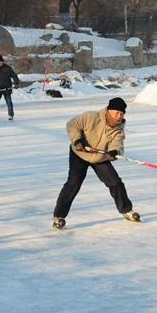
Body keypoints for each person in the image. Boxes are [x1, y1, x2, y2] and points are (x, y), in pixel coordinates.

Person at [52, 97, 139, 230]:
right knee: (73, 183)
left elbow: (118, 144)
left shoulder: (118, 130)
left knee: (115, 182)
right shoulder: (91, 116)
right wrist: (77, 140)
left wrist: (114, 152)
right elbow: (72, 124)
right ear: (109, 110)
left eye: (122, 114)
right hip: (79, 153)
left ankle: (126, 210)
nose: (119, 116)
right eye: (117, 112)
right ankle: (59, 216)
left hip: (100, 157)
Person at [0, 55, 19, 121]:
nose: (0, 63)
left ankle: (11, 115)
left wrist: (16, 83)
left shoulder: (8, 68)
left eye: (1, 62)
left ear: (3, 62)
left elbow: (14, 75)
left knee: (9, 103)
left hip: (7, 88)